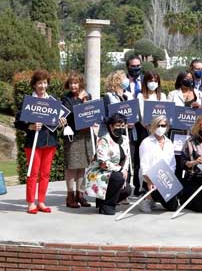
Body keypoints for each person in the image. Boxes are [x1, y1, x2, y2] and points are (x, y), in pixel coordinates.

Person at [14, 70, 63, 214]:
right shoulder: (28, 101)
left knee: (46, 174)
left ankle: (41, 201)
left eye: (45, 82)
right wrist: (30, 126)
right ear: (34, 85)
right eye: (39, 83)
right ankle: (31, 203)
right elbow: (18, 122)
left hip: (50, 142)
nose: (42, 85)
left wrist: (61, 122)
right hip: (33, 142)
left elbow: (57, 122)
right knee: (33, 173)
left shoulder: (53, 101)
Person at [85, 113, 132, 215]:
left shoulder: (125, 139)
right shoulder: (103, 140)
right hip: (99, 172)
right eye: (118, 126)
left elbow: (127, 157)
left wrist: (125, 170)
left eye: (122, 126)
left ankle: (104, 201)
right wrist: (120, 170)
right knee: (118, 177)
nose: (120, 128)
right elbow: (103, 163)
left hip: (116, 172)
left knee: (127, 190)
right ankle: (107, 205)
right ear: (111, 126)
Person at [101, 70, 139, 193]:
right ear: (116, 80)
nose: (126, 80)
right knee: (114, 160)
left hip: (128, 134)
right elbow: (104, 117)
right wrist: (116, 122)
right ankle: (113, 189)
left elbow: (135, 113)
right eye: (123, 78)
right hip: (114, 135)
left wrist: (133, 121)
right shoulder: (108, 96)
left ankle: (124, 189)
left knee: (127, 160)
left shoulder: (128, 96)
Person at [60, 72, 93, 208]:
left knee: (82, 166)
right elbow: (69, 113)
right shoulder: (66, 98)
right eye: (71, 83)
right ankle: (70, 196)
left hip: (85, 135)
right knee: (72, 166)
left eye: (76, 83)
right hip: (72, 135)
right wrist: (79, 99)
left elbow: (91, 111)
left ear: (80, 84)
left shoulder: (88, 95)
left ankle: (80, 194)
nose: (73, 85)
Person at [139, 115, 179, 212]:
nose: (160, 128)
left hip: (165, 178)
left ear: (167, 127)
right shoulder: (146, 142)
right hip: (149, 179)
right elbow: (144, 165)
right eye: (158, 125)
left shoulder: (169, 143)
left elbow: (172, 164)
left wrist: (169, 179)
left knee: (173, 206)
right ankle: (147, 198)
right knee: (149, 206)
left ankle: (154, 198)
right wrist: (149, 182)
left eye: (163, 125)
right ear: (153, 126)